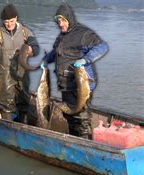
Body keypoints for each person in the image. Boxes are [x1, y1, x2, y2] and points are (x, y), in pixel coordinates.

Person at [43, 4, 108, 138]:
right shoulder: (61, 37)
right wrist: (45, 61)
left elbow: (103, 46)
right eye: (58, 21)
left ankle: (86, 145)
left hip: (81, 86)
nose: (60, 24)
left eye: (63, 20)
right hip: (65, 85)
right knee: (69, 116)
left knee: (82, 118)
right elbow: (56, 53)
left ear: (69, 19)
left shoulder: (83, 33)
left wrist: (86, 59)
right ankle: (72, 141)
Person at [0, 4, 39, 122]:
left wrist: (31, 50)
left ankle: (23, 125)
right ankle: (8, 126)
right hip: (4, 75)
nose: (9, 24)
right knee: (6, 103)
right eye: (6, 21)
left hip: (22, 74)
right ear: (3, 21)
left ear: (16, 19)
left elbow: (35, 47)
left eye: (12, 21)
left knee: (24, 100)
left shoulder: (25, 32)